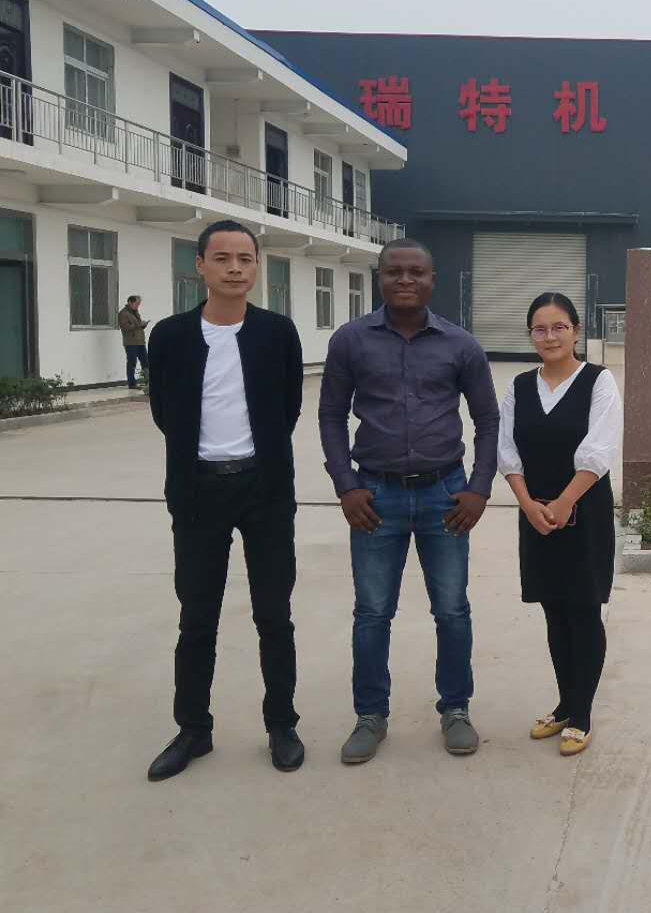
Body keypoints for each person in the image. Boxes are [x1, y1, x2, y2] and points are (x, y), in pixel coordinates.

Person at [319, 238, 499, 764]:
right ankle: (370, 716)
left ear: (431, 279)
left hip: (446, 495)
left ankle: (456, 710)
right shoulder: (351, 341)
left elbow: (487, 419)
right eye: (393, 271)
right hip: (375, 497)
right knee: (373, 612)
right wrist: (346, 485)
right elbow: (331, 415)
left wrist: (478, 487)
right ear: (379, 278)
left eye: (415, 272)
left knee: (452, 609)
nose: (404, 280)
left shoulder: (461, 345)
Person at [144, 220, 305, 781]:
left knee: (274, 615)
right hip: (197, 491)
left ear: (257, 266)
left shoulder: (277, 333)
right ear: (200, 266)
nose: (235, 268)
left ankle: (282, 724)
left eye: (245, 259)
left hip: (265, 490)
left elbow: (287, 409)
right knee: (197, 617)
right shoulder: (170, 336)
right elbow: (165, 411)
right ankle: (193, 728)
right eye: (222, 258)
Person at [499, 292, 621, 757]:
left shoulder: (598, 381)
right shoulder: (519, 386)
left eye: (559, 327)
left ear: (575, 330)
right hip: (536, 514)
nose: (549, 337)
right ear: (531, 335)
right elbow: (506, 450)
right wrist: (528, 505)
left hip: (583, 513)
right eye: (540, 329)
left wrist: (567, 501)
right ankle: (564, 704)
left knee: (583, 609)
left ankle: (582, 713)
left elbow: (599, 448)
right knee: (554, 608)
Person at [119, 295, 149, 390]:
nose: (138, 306)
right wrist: (139, 324)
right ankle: (131, 384)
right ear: (130, 302)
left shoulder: (135, 312)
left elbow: (137, 326)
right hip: (131, 342)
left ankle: (148, 381)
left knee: (145, 362)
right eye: (136, 304)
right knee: (132, 363)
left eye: (139, 304)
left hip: (140, 342)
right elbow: (125, 327)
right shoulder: (123, 313)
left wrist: (143, 325)